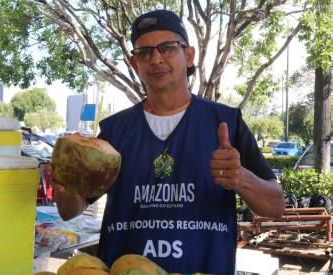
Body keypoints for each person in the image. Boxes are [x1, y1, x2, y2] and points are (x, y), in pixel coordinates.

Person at [50, 9, 285, 274]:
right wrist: (64, 180)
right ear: (133, 63)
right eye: (145, 52)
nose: (156, 58)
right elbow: (71, 211)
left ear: (189, 55)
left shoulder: (227, 123)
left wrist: (241, 178)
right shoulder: (114, 131)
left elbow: (275, 207)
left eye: (168, 48)